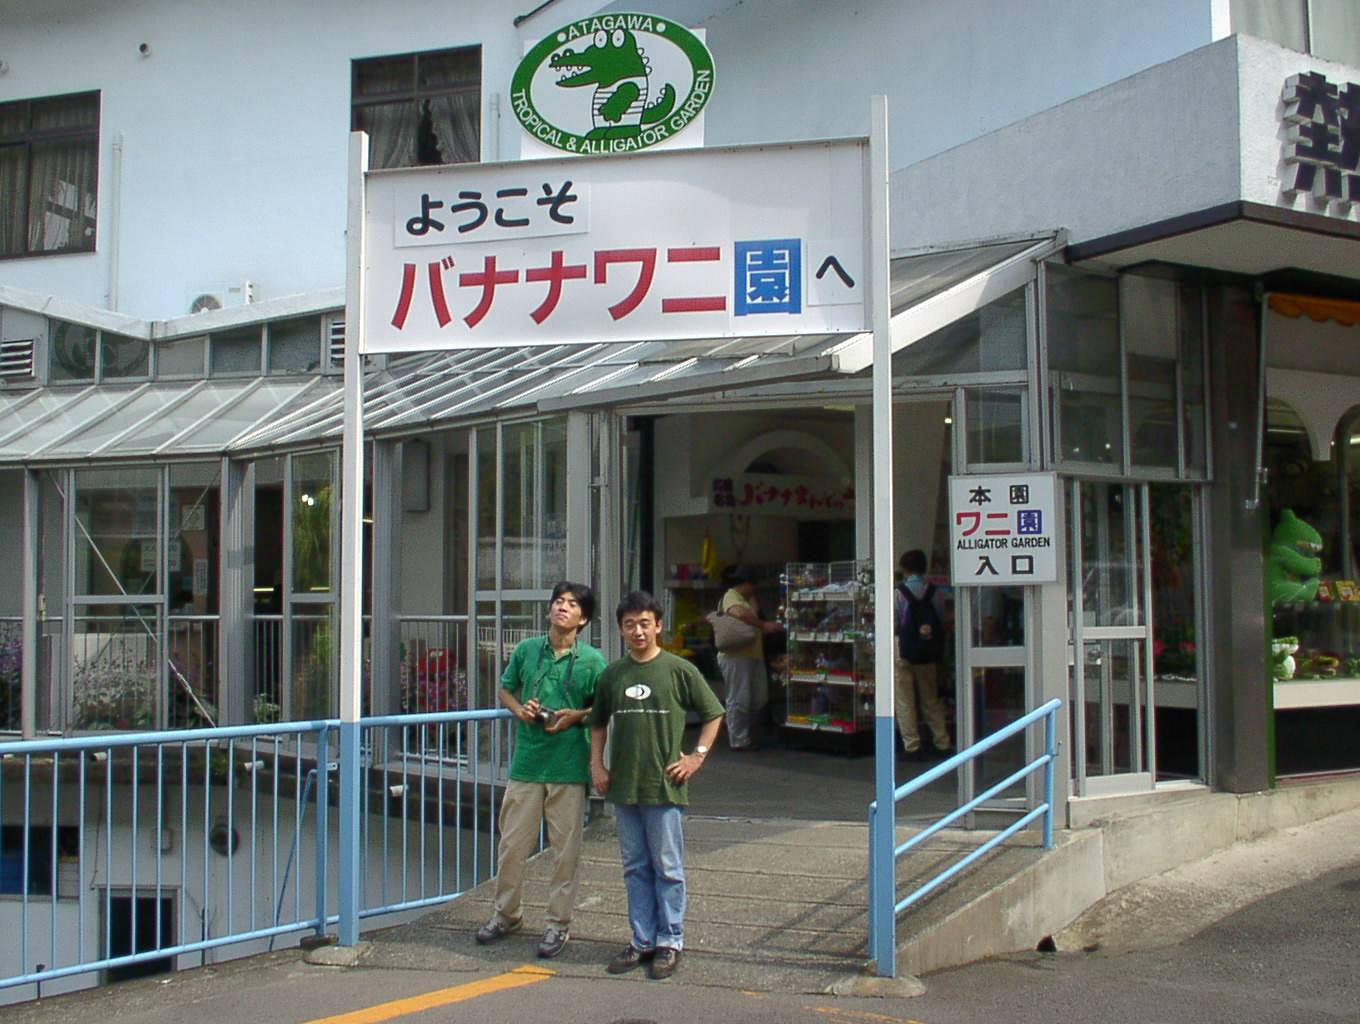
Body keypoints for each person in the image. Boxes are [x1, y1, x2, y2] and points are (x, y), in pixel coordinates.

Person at [590, 591, 725, 981]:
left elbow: (714, 712)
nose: (638, 631)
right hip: (624, 787)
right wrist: (597, 765)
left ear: (659, 626)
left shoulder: (679, 669)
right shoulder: (612, 674)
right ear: (620, 629)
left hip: (664, 786)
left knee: (668, 867)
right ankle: (642, 940)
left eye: (644, 623)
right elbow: (597, 723)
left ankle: (670, 940)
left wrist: (696, 756)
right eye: (630, 624)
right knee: (634, 867)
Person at [475, 581, 607, 959]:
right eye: (558, 601)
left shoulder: (593, 661)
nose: (562, 607)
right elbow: (505, 689)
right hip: (527, 763)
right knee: (512, 845)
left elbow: (602, 710)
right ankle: (506, 914)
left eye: (572, 604)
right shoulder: (526, 650)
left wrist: (575, 716)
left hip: (568, 766)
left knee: (565, 853)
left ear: (584, 619)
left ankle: (557, 924)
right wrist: (520, 710)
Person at [716, 566, 783, 751]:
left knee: (759, 697)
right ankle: (738, 739)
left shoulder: (750, 600)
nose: (755, 588)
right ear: (746, 584)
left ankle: (734, 723)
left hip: (754, 654)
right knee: (739, 697)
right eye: (753, 585)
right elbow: (738, 613)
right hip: (735, 655)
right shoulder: (731, 596)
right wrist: (762, 625)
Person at [894, 549, 953, 757]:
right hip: (927, 651)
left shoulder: (899, 592)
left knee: (904, 699)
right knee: (931, 698)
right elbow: (942, 620)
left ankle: (912, 746)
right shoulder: (935, 592)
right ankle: (942, 742)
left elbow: (894, 623)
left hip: (903, 651)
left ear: (904, 568)